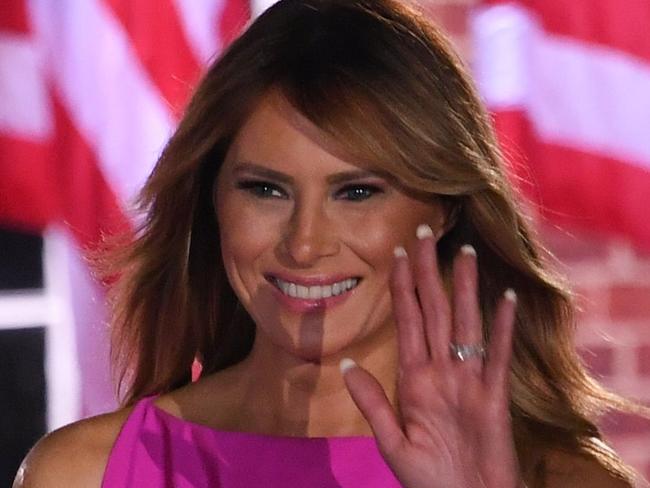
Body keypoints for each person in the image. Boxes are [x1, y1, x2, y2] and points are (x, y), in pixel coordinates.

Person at [14, 0, 646, 486]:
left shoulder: (560, 479)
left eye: (357, 192)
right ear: (211, 201)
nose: (305, 244)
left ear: (445, 209)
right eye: (266, 190)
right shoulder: (84, 473)